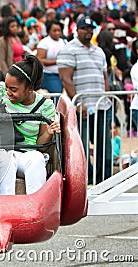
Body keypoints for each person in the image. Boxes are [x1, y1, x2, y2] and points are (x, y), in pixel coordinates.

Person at [0, 55, 60, 195]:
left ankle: (37, 207)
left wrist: (49, 132)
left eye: (13, 89)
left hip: (28, 152)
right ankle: (6, 206)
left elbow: (42, 147)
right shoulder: (0, 90)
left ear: (30, 88)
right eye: (6, 87)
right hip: (1, 149)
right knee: (6, 159)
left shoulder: (45, 106)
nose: (8, 92)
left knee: (37, 159)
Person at [57, 16, 112, 184]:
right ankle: (85, 183)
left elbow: (105, 77)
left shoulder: (99, 51)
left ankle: (105, 182)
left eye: (91, 29)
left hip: (102, 105)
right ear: (77, 30)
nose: (88, 31)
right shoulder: (69, 49)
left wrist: (108, 97)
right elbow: (66, 78)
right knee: (82, 150)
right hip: (82, 107)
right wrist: (78, 103)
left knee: (105, 148)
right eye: (84, 28)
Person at [36, 20, 67, 95]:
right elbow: (39, 60)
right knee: (55, 97)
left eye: (59, 30)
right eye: (54, 30)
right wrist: (57, 62)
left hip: (63, 75)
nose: (57, 33)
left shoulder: (64, 42)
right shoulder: (44, 43)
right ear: (49, 31)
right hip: (50, 75)